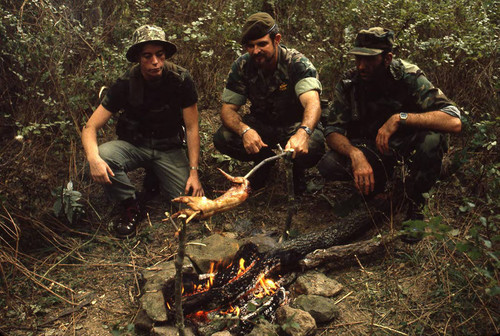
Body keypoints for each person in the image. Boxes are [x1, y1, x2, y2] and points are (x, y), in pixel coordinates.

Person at [317, 27, 462, 221]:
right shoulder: (349, 82)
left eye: (369, 59)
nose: (361, 66)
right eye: (358, 58)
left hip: (407, 145)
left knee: (432, 141)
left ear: (387, 59)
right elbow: (333, 130)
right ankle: (376, 187)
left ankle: (416, 204)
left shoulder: (409, 76)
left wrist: (399, 118)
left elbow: (453, 120)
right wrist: (355, 154)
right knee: (330, 164)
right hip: (372, 146)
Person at [82, 25, 204, 238]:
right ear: (138, 58)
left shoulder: (180, 79)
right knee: (103, 155)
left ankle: (156, 175)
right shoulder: (126, 83)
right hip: (136, 146)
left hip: (168, 148)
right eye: (147, 56)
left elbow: (192, 127)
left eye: (159, 55)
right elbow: (90, 127)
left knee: (191, 205)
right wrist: (93, 159)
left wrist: (194, 173)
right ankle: (131, 205)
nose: (154, 62)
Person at [213, 12, 325, 194]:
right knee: (223, 137)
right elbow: (227, 110)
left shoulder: (297, 63)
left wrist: (303, 133)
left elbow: (313, 104)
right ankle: (264, 162)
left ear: (277, 39)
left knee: (314, 144)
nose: (256, 51)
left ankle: (296, 171)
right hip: (262, 125)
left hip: (294, 125)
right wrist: (245, 131)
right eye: (250, 46)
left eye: (262, 44)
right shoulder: (242, 66)